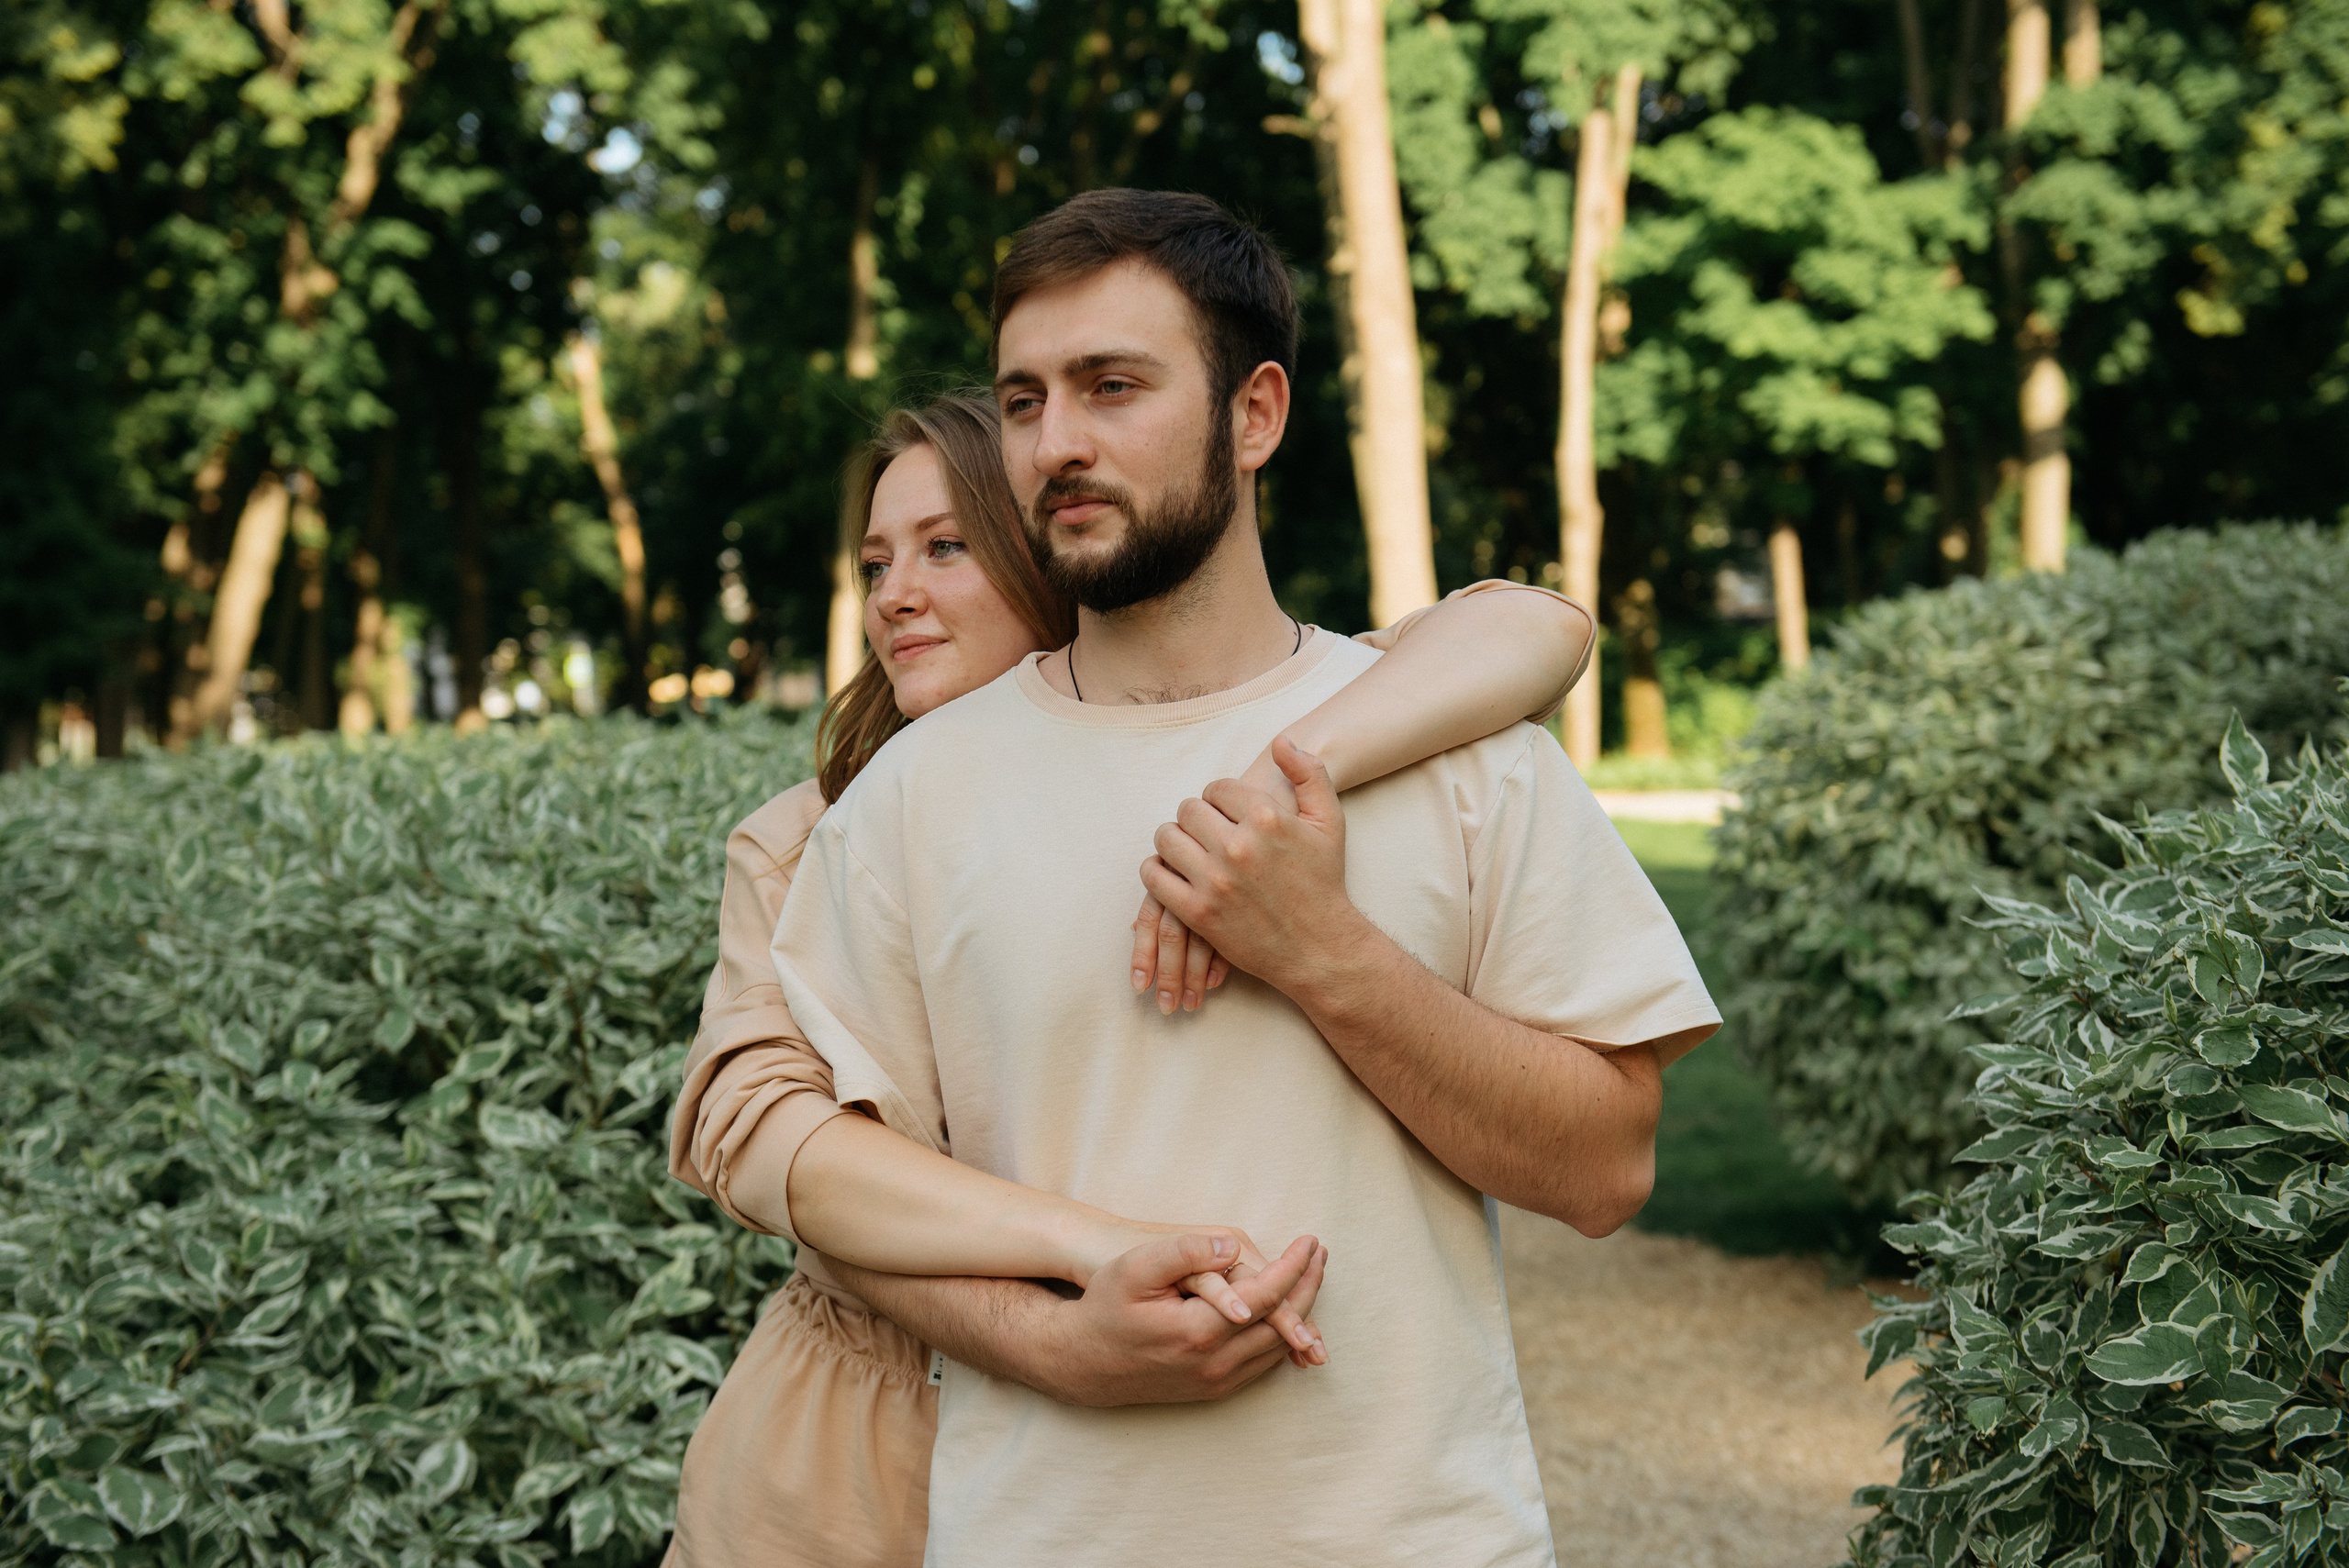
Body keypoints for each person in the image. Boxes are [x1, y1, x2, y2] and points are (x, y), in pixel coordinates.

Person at [770, 190, 1720, 1566]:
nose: (1058, 443)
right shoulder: (912, 802)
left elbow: (1604, 1167)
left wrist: (1323, 950)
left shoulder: (1464, 754)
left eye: (1113, 387)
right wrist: (1057, 1339)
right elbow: (847, 1209)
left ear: (1256, 414)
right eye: (1025, 399)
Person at [666, 393, 1595, 1566]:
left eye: (946, 547)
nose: (893, 592)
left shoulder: (1227, 773)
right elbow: (761, 1136)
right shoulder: (810, 838)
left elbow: (1530, 624)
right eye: (875, 559)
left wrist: (1266, 777)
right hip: (851, 1452)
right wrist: (1071, 1290)